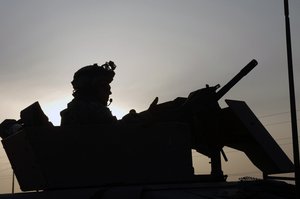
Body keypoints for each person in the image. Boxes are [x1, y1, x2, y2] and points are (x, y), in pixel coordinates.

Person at [60, 61, 118, 125]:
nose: (109, 92)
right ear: (91, 88)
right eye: (104, 87)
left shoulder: (73, 110)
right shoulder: (95, 111)